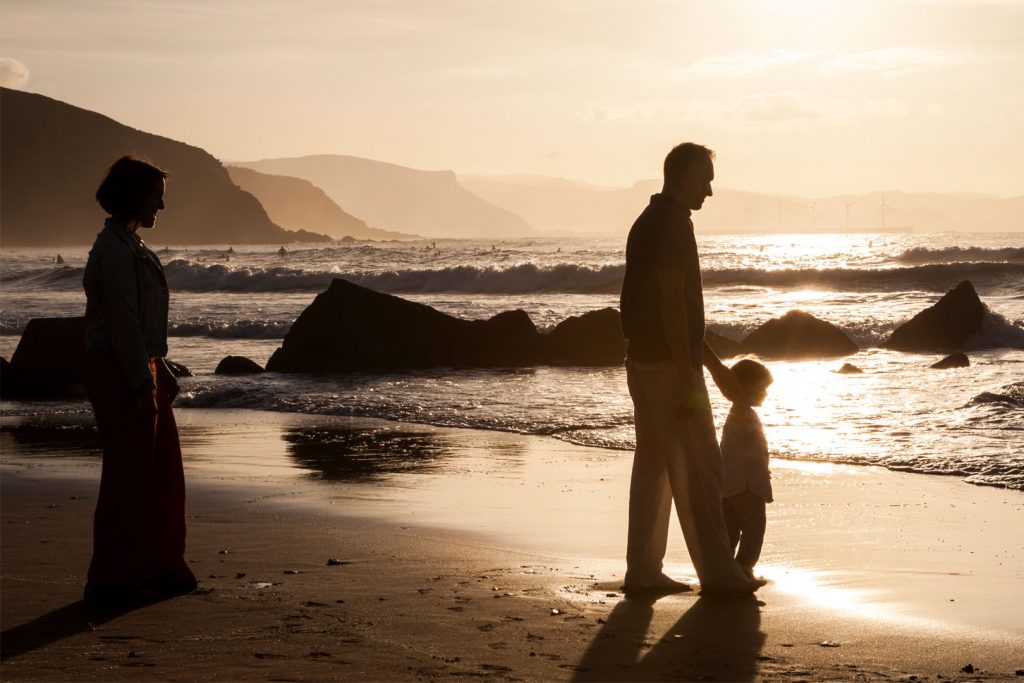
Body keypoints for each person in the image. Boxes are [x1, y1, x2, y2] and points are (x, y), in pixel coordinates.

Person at [619, 142, 762, 595]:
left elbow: (673, 310)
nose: (711, 190)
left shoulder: (650, 220)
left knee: (655, 468)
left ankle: (642, 571)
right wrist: (689, 376)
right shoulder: (673, 225)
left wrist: (715, 367)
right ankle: (721, 576)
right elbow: (671, 306)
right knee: (704, 468)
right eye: (706, 179)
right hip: (668, 367)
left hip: (644, 361)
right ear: (683, 177)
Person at [82, 155, 197, 604]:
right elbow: (122, 322)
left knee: (160, 471)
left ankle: (156, 566)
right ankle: (114, 578)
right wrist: (140, 382)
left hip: (136, 364)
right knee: (128, 478)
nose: (161, 207)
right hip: (116, 368)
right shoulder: (112, 250)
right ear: (134, 195)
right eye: (156, 197)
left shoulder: (129, 245)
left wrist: (159, 364)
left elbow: (140, 324)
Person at [721, 359, 774, 580]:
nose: (765, 394)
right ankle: (744, 566)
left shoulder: (737, 413)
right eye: (761, 388)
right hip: (746, 485)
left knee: (730, 530)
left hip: (727, 484)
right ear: (744, 390)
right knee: (754, 528)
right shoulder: (742, 413)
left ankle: (725, 568)